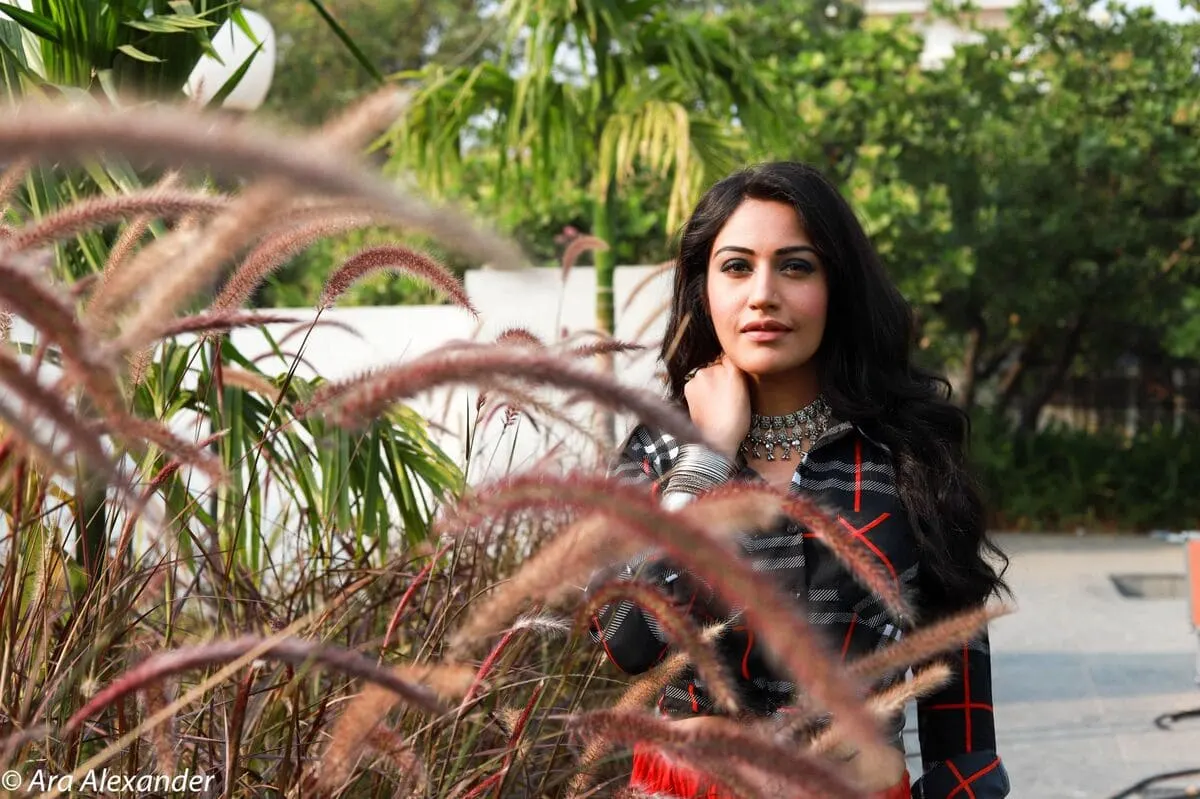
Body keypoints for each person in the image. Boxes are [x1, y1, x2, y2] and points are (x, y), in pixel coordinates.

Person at [587, 161, 1011, 798]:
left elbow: (961, 703)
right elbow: (626, 642)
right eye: (736, 267)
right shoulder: (658, 451)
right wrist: (709, 457)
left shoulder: (908, 455)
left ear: (837, 286)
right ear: (703, 289)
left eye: (796, 266)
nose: (763, 294)